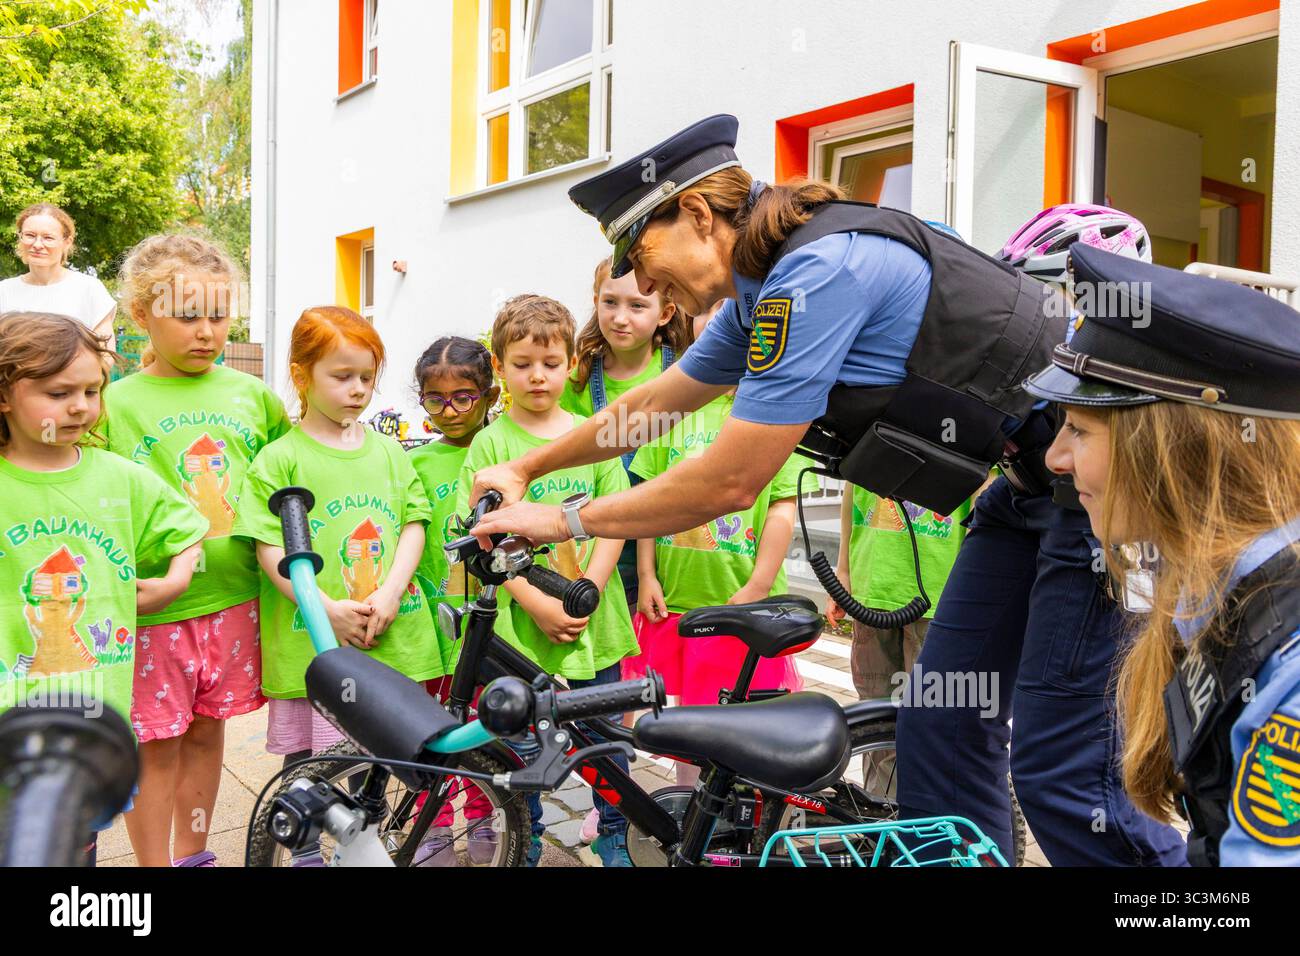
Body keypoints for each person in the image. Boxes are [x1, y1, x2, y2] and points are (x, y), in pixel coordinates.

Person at [467, 114, 1182, 865]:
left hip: (1103, 498)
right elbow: (648, 409)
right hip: (1022, 492)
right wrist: (526, 470)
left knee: (1064, 776)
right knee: (938, 723)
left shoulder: (818, 273)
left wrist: (563, 519)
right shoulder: (759, 298)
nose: (642, 284)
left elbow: (733, 480)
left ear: (700, 214)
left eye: (641, 256)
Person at [1024, 243, 1300, 866]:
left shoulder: (1288, 665)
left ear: (1175, 449)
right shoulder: (1220, 588)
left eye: (1081, 429)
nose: (1055, 459)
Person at [233, 306, 443, 864]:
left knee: (380, 753)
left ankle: (368, 849)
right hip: (313, 638)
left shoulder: (391, 451)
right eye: (341, 376)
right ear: (302, 377)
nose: (357, 390)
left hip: (389, 631)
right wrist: (325, 608)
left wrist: (392, 592)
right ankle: (301, 853)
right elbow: (269, 546)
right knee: (308, 760)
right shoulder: (279, 459)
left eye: (367, 378)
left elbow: (414, 522)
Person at [104, 234, 287, 868]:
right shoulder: (112, 404)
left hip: (235, 600)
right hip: (155, 609)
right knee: (155, 745)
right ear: (142, 314)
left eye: (218, 314)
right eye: (187, 316)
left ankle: (194, 854)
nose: (207, 332)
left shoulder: (253, 396)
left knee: (209, 732)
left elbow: (281, 481)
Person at [0, 312, 207, 865]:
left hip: (92, 722)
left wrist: (175, 580)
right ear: (3, 395)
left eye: (92, 391)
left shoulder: (120, 478)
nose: (80, 406)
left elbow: (189, 529)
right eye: (58, 392)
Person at [456, 294, 638, 867]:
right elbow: (481, 538)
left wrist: (593, 588)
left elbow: (619, 518)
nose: (538, 375)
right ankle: (526, 837)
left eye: (551, 363)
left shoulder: (594, 434)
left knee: (606, 742)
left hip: (595, 621)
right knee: (517, 745)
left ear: (569, 364)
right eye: (522, 363)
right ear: (501, 366)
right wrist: (537, 603)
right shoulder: (492, 446)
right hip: (522, 626)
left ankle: (615, 833)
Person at [628, 383, 805, 788]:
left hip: (742, 602)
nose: (714, 321)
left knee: (749, 719)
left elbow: (781, 506)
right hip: (677, 600)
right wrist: (647, 574)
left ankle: (751, 812)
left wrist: (759, 585)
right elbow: (648, 500)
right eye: (704, 313)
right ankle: (691, 807)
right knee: (689, 718)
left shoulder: (775, 411)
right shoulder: (672, 412)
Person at [407, 335, 500, 866]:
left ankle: (484, 817)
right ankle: (433, 827)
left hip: (490, 623)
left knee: (483, 731)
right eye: (435, 399)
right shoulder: (413, 463)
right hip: (431, 624)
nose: (450, 410)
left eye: (463, 397)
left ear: (488, 395)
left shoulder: (506, 454)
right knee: (428, 729)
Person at [0, 204, 117, 348]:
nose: (37, 244)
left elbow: (105, 354)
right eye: (30, 235)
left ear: (67, 242)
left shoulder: (89, 289)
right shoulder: (4, 290)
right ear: (20, 238)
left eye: (48, 238)